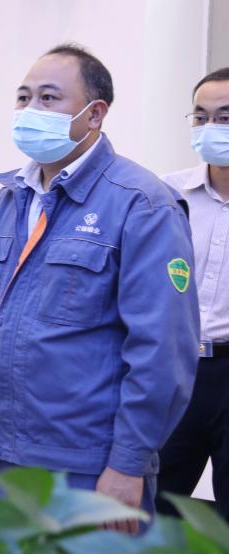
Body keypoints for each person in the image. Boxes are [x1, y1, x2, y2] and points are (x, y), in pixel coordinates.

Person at [0, 43, 200, 533]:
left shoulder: (142, 204)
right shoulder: (7, 202)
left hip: (88, 466)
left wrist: (129, 463)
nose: (30, 110)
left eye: (49, 98)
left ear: (95, 114)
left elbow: (162, 349)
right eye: (23, 97)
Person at [156, 67, 229, 520]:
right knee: (153, 505)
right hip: (175, 367)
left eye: (225, 117)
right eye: (201, 117)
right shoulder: (167, 194)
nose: (211, 128)